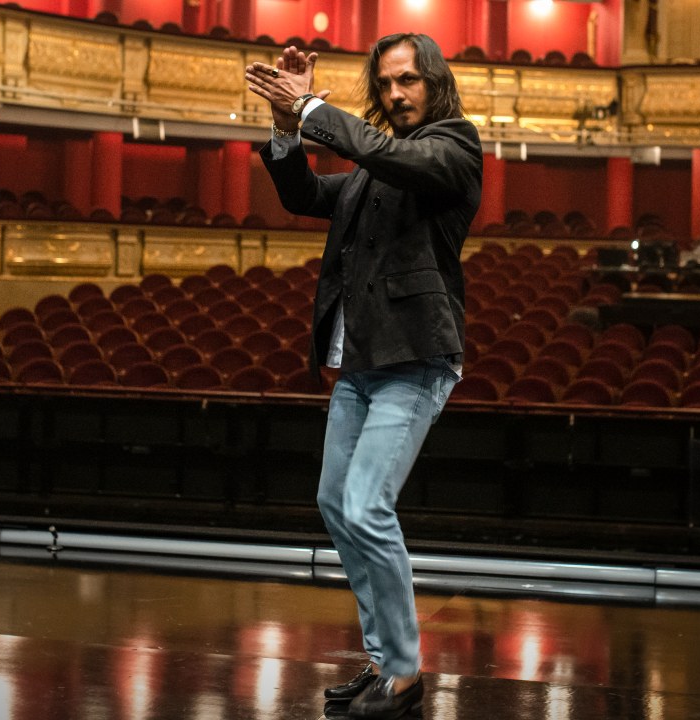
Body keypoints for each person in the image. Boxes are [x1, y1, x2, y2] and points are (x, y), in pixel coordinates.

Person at [245, 33, 482, 719]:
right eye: (384, 83)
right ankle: (382, 661)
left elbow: (389, 155)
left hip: (415, 358)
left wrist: (311, 106)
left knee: (367, 507)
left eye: (408, 80)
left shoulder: (454, 146)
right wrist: (286, 125)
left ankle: (404, 674)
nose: (395, 93)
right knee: (335, 503)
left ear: (435, 82)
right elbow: (303, 194)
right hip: (360, 361)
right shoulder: (373, 169)